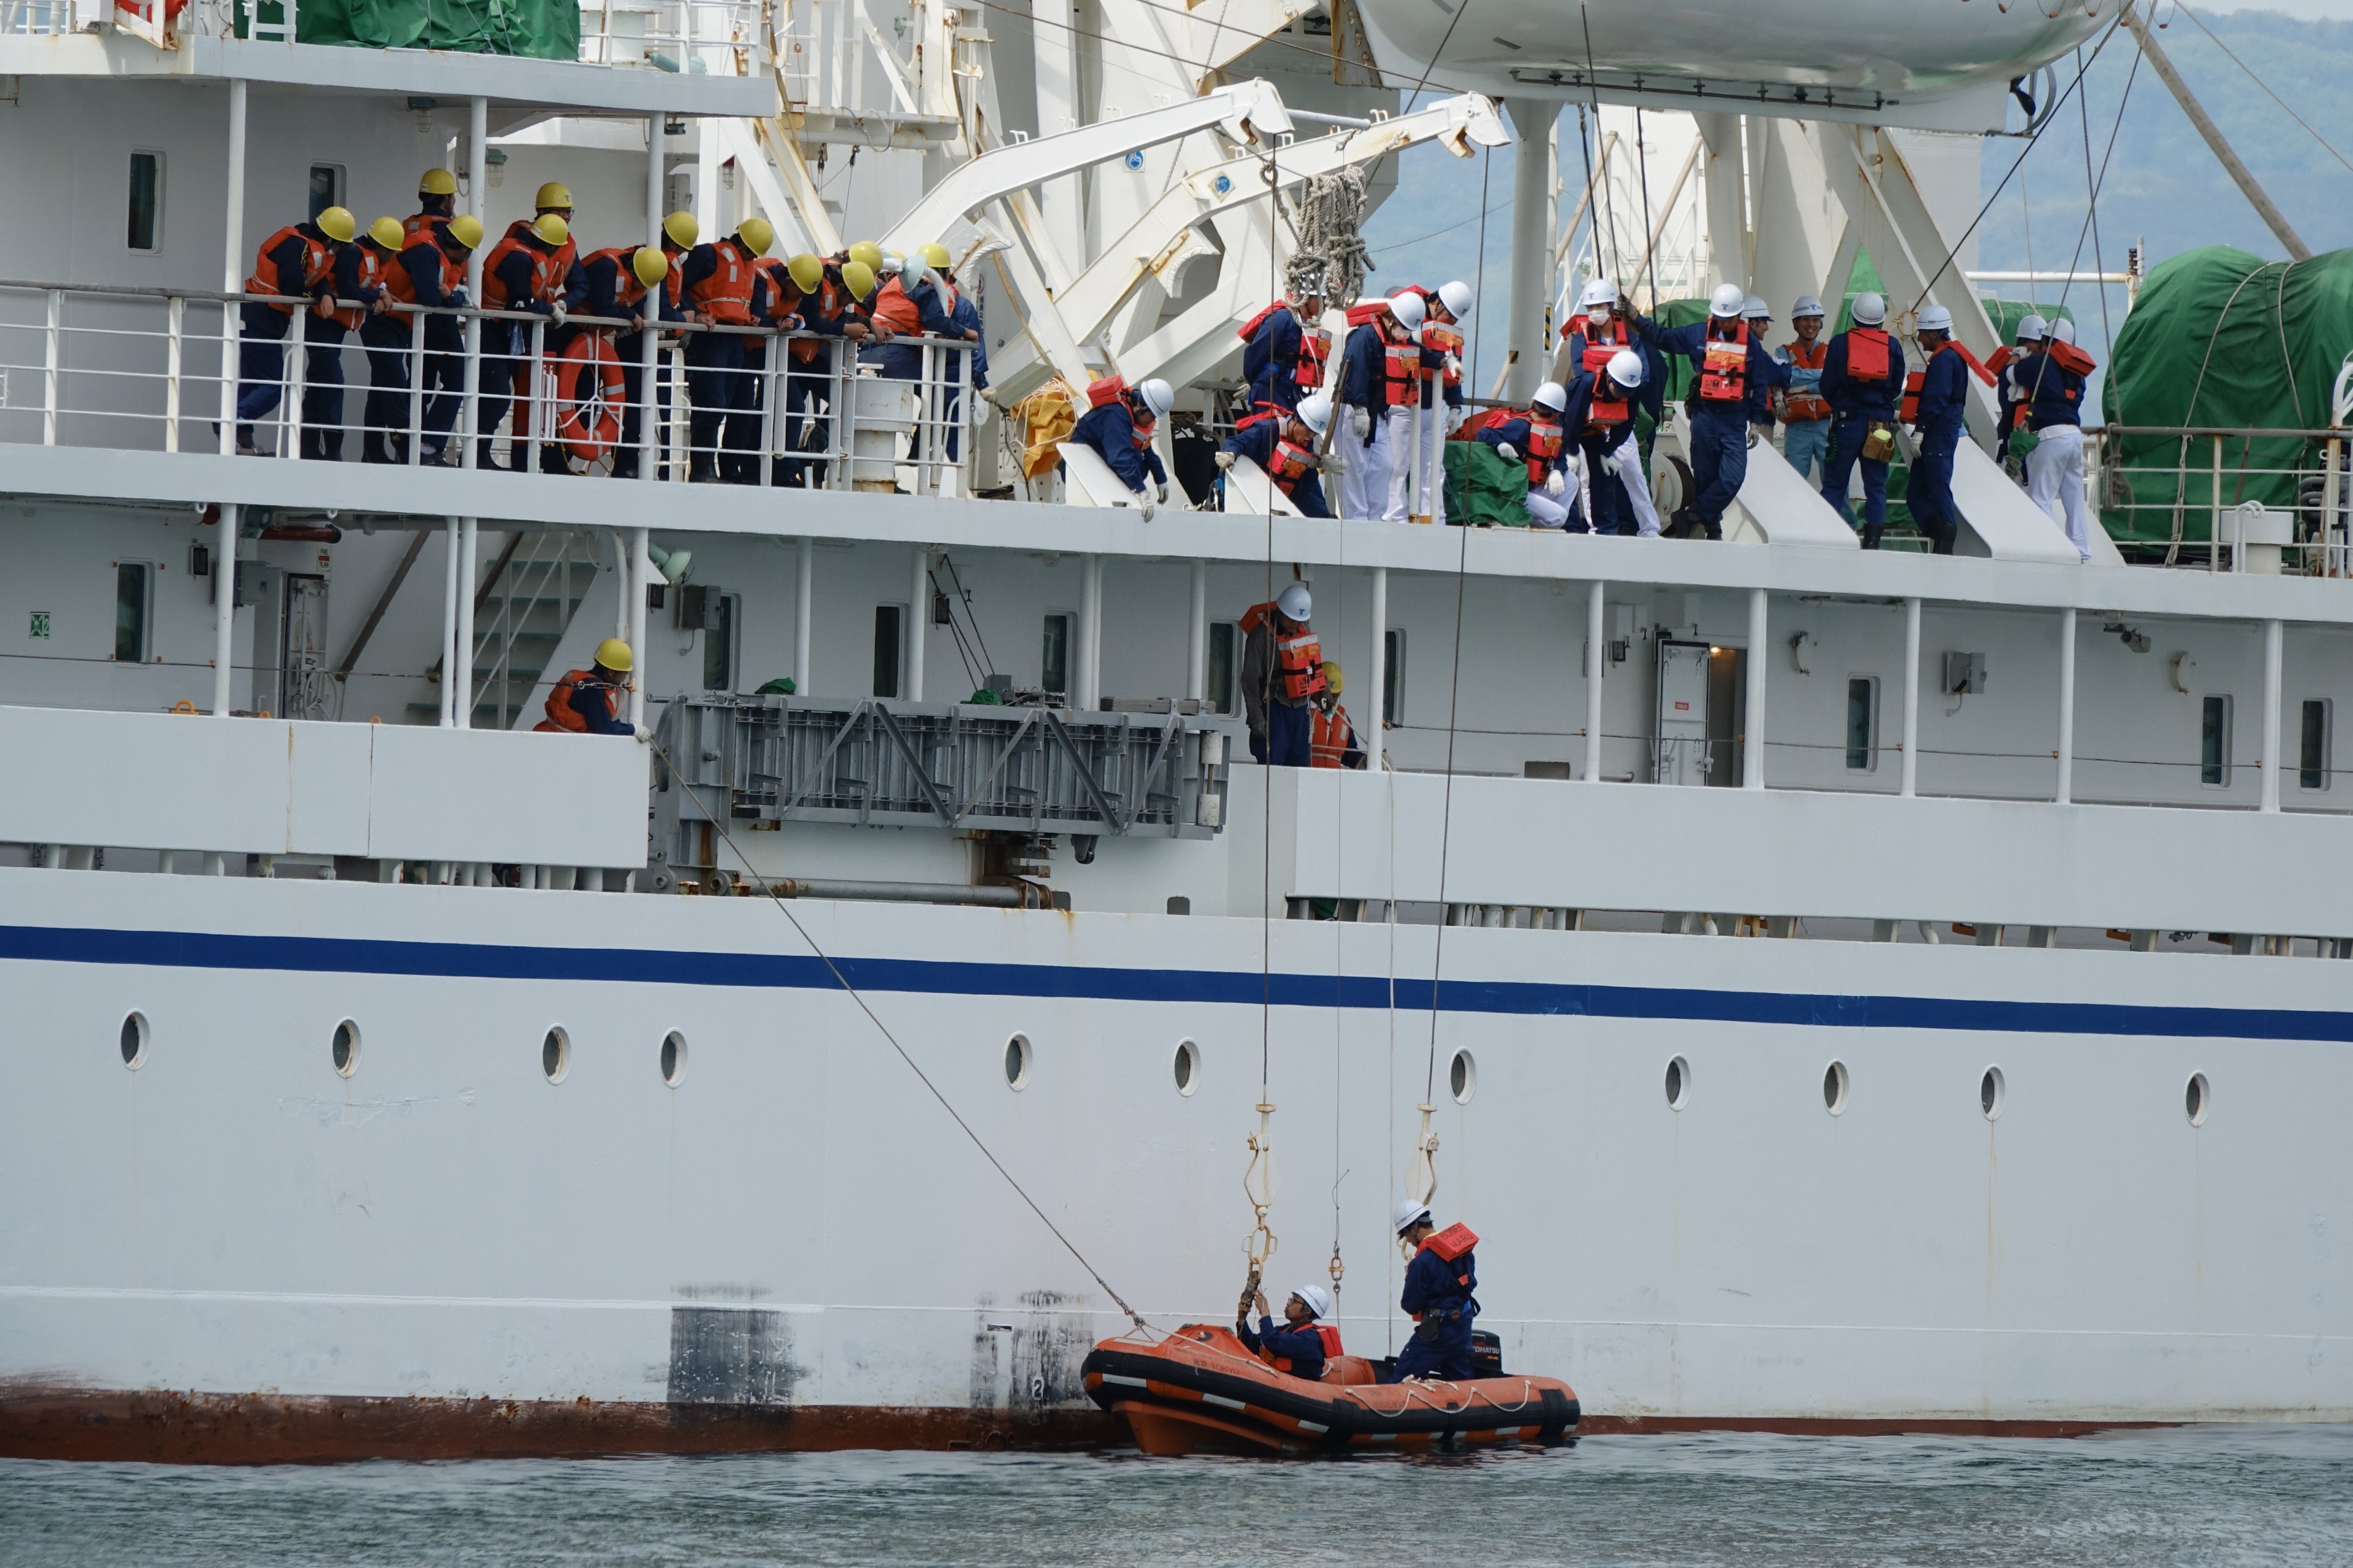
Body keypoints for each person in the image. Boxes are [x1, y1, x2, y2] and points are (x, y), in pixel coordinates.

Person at [1631, 282, 1788, 539]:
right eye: (1720, 318)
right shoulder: (1698, 334)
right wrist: (1635, 317)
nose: (1724, 323)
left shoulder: (1750, 344)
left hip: (1734, 418)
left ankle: (1690, 515)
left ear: (1739, 317)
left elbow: (1760, 382)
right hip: (1704, 415)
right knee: (1705, 476)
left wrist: (1756, 422)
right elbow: (1663, 338)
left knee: (1733, 477)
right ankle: (1713, 528)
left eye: (1730, 318)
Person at [234, 205, 356, 457]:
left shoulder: (304, 244)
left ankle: (241, 441)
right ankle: (232, 421)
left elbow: (316, 277)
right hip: (260, 320)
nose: (338, 251)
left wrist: (325, 293)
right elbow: (292, 283)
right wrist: (316, 295)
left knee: (252, 384)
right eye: (339, 246)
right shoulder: (297, 245)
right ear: (331, 239)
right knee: (274, 386)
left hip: (260, 319)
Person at [583, 217, 692, 479]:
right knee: (630, 407)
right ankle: (626, 464)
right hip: (609, 342)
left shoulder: (651, 266)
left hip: (648, 344)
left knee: (651, 408)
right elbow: (608, 306)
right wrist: (633, 317)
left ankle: (647, 465)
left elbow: (658, 306)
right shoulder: (612, 267)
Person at [477, 211, 580, 471]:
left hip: (505, 331)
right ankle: (477, 455)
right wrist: (551, 310)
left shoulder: (524, 254)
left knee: (498, 397)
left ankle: (480, 455)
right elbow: (522, 303)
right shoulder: (520, 260)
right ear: (552, 246)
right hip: (493, 330)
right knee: (497, 397)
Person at [678, 217, 776, 482]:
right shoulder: (708, 255)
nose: (751, 257)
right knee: (711, 403)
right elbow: (677, 287)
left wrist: (749, 316)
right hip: (710, 338)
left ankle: (728, 470)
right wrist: (695, 313)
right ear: (740, 243)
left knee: (735, 407)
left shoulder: (747, 264)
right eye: (750, 252)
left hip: (734, 339)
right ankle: (702, 470)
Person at [378, 213, 481, 466]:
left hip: (412, 326)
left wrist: (452, 297)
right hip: (417, 325)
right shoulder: (426, 253)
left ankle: (414, 447)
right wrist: (454, 299)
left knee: (418, 386)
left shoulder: (430, 247)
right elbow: (430, 298)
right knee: (453, 381)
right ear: (465, 250)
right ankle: (423, 447)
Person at [1816, 290, 1905, 548]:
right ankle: (1872, 545)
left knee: (1835, 485)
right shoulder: (1893, 346)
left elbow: (1826, 385)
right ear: (1881, 319)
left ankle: (1826, 540)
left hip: (1846, 424)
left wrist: (1842, 404)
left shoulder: (1839, 344)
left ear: (1854, 315)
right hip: (1880, 427)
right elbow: (1896, 387)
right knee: (1876, 486)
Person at [780, 252, 875, 488]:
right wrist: (846, 330)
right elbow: (812, 320)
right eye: (849, 298)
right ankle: (785, 472)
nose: (848, 303)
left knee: (845, 394)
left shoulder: (835, 296)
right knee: (792, 410)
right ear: (841, 288)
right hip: (788, 357)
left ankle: (815, 447)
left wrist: (868, 323)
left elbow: (838, 316)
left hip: (808, 359)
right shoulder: (817, 289)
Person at [2023, 318, 2094, 561]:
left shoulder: (2040, 363)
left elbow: (2012, 375)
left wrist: (2018, 358)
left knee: (2040, 497)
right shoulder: (2078, 372)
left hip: (2051, 435)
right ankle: (2081, 551)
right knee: (2074, 499)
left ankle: (2051, 549)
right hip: (2074, 436)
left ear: (2046, 341)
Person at [1387, 1200, 1479, 1383]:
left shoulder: (1420, 1263)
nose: (1409, 1241)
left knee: (1401, 1379)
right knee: (1461, 1386)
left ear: (1414, 1228)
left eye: (1406, 1235)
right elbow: (1470, 1284)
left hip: (1437, 1336)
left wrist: (1412, 1279)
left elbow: (1411, 1305)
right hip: (1462, 1330)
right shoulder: (1464, 1253)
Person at [1471, 379, 1579, 531]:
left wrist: (1557, 471)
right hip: (1511, 493)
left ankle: (1536, 521)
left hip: (1528, 490)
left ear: (1533, 403)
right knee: (1558, 517)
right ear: (1557, 414)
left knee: (1571, 479)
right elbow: (1483, 433)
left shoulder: (1549, 431)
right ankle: (1520, 522)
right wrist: (1500, 443)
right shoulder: (1521, 426)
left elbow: (1560, 457)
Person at [1904, 303, 1970, 555]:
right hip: (1940, 431)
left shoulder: (1943, 360)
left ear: (1934, 333)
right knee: (1917, 492)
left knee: (1937, 488)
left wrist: (1920, 430)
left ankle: (1946, 540)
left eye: (1922, 333)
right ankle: (1942, 531)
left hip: (1937, 433)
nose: (1919, 338)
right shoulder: (1953, 357)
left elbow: (1936, 399)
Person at [1405, 279, 1472, 523]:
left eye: (1455, 319)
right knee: (1397, 466)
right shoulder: (1412, 320)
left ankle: (1434, 518)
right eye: (1449, 316)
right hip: (1404, 407)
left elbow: (1453, 373)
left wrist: (1455, 408)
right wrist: (1443, 361)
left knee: (1434, 468)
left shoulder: (1446, 334)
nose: (1451, 323)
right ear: (1436, 303)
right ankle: (1397, 516)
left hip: (1433, 409)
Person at [1332, 296, 1404, 520]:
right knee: (1353, 468)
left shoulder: (1392, 340)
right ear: (1391, 319)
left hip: (1377, 412)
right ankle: (1355, 521)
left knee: (1384, 465)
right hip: (1353, 410)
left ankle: (1376, 518)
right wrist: (1360, 409)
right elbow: (1354, 371)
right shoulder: (1364, 337)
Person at [342, 217, 407, 464]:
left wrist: (379, 293)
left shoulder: (370, 257)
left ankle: (373, 451)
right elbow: (348, 289)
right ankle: (403, 447)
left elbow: (371, 284)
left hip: (371, 324)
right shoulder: (354, 254)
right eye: (393, 253)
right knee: (394, 384)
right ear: (384, 249)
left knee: (382, 385)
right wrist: (377, 294)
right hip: (369, 327)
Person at [1237, 581, 1324, 767]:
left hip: (1301, 709)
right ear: (1281, 612)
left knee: (1301, 765)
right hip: (1274, 708)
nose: (1295, 624)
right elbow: (1249, 681)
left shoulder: (1303, 630)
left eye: (1299, 621)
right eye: (1292, 620)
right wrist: (1256, 718)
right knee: (1272, 763)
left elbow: (1313, 665)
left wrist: (1323, 694)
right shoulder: (1260, 637)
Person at [1066, 375, 1173, 516]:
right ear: (1141, 405)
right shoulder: (1115, 416)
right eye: (1153, 416)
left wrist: (1161, 478)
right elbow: (1120, 457)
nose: (1153, 421)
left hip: (1099, 457)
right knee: (1134, 460)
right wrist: (1142, 492)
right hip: (1079, 468)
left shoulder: (1131, 410)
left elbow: (1146, 447)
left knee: (1137, 460)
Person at [1217, 393, 1333, 518]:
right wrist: (1230, 453)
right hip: (1244, 493)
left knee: (1310, 475)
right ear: (1296, 418)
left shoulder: (1305, 444)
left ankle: (1323, 517)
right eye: (1309, 430)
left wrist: (1315, 464)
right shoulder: (1268, 431)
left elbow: (1309, 490)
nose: (1310, 436)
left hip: (1274, 500)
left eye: (1315, 433)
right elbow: (1237, 442)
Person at [1238, 283, 1328, 415]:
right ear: (1306, 298)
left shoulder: (1304, 326)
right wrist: (1255, 382)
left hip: (1291, 391)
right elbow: (1255, 353)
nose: (1325, 306)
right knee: (1268, 427)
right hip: (1270, 389)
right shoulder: (1282, 319)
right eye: (1321, 300)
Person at [1776, 296, 1833, 484]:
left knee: (1835, 484)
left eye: (1816, 319)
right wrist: (1821, 375)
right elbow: (1786, 377)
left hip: (1827, 426)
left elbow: (1833, 381)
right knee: (1793, 484)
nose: (1811, 324)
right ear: (1795, 323)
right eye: (1805, 319)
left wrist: (1801, 383)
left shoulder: (1831, 351)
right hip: (1797, 427)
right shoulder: (1783, 352)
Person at [1236, 1284, 1342, 1380]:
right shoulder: (1286, 1330)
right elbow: (1253, 1344)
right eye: (1291, 1299)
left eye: (1294, 1300)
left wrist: (1264, 1312)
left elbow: (1272, 1342)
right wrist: (1242, 1319)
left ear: (1308, 1310)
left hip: (1298, 1390)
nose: (1288, 1303)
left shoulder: (1310, 1339)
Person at [536, 639, 640, 735]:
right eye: (624, 672)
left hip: (550, 735)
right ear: (611, 672)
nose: (626, 674)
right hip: (559, 740)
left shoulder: (589, 682)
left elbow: (607, 720)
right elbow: (602, 728)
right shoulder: (593, 688)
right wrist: (634, 730)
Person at [1308, 662, 1365, 769]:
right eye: (1329, 695)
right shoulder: (1303, 714)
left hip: (1333, 778)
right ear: (1316, 690)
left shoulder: (1343, 718)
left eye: (1336, 696)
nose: (1332, 700)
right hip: (1306, 776)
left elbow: (1349, 752)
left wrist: (1365, 761)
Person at [1741, 296, 1779, 437]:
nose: (1767, 327)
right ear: (1752, 323)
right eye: (1764, 322)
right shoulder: (1756, 353)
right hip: (1754, 419)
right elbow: (1781, 374)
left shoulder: (1723, 347)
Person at [402, 168, 458, 247]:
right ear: (446, 197)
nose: (454, 199)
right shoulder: (449, 229)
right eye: (453, 195)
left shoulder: (407, 224)